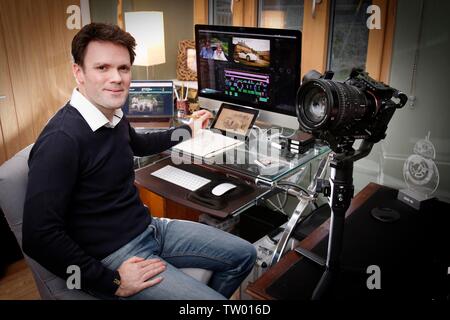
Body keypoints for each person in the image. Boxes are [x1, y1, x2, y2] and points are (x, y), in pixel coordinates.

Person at [22, 23, 256, 300]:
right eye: (102, 68)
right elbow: (38, 237)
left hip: (151, 228)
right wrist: (112, 282)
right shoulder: (62, 140)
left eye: (123, 68)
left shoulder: (112, 114)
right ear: (78, 72)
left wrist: (188, 131)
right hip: (117, 255)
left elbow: (140, 144)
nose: (117, 78)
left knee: (245, 254)